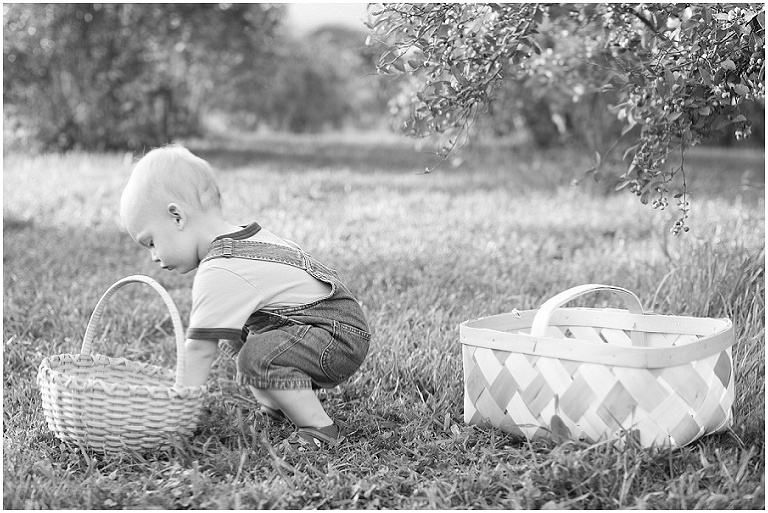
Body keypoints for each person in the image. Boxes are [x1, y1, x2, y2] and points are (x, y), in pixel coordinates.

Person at [119, 144, 370, 451]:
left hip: (337, 337)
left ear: (176, 217)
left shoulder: (220, 268)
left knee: (256, 356)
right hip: (333, 325)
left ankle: (319, 429)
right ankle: (276, 406)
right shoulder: (241, 238)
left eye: (152, 242)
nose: (154, 257)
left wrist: (175, 414)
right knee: (234, 335)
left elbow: (198, 349)